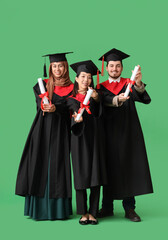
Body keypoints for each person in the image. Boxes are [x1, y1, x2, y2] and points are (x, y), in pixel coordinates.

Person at [15, 52, 74, 220]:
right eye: (54, 66)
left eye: (60, 65)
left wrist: (57, 109)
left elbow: (72, 107)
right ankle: (38, 209)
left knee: (58, 165)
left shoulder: (73, 87)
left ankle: (58, 210)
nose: (57, 69)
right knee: (39, 164)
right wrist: (44, 105)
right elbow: (39, 104)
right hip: (41, 130)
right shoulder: (41, 86)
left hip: (61, 131)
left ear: (65, 67)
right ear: (50, 68)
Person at [97, 48, 153, 222]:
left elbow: (143, 97)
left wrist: (138, 83)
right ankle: (107, 207)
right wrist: (115, 100)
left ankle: (130, 208)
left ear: (122, 68)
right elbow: (101, 101)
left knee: (128, 168)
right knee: (107, 167)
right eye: (111, 66)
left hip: (128, 133)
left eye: (118, 66)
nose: (114, 69)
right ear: (106, 68)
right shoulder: (100, 88)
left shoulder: (129, 84)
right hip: (107, 134)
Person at [67, 60, 107, 225]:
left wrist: (97, 100)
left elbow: (99, 114)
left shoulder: (96, 96)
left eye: (89, 77)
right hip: (78, 140)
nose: (86, 80)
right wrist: (76, 121)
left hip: (95, 139)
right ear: (76, 79)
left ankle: (93, 211)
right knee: (80, 174)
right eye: (83, 76)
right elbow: (68, 122)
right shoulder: (70, 99)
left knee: (95, 174)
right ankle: (83, 212)